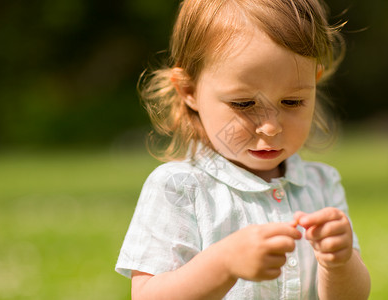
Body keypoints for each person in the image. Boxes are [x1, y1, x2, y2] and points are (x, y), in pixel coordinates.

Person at [116, 0, 371, 299]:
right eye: (244, 104)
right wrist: (224, 263)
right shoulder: (180, 187)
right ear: (189, 91)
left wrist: (339, 262)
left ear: (314, 83)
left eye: (292, 102)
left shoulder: (321, 185)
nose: (270, 126)